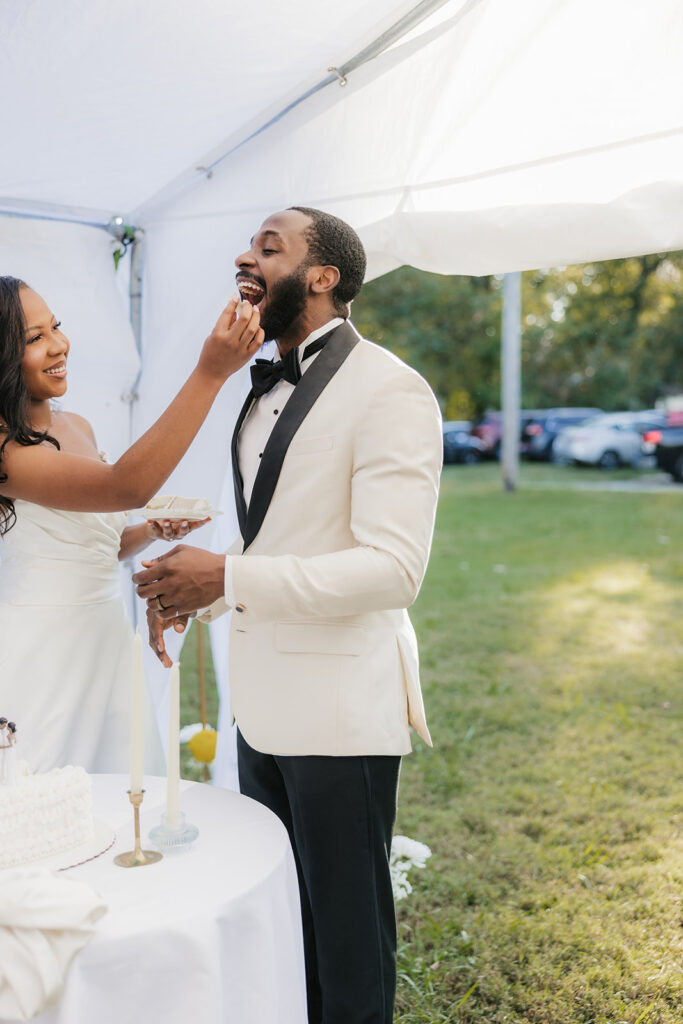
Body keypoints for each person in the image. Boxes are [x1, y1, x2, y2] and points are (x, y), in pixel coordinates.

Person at [134, 207, 443, 1024]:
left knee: (347, 944)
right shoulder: (258, 388)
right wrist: (190, 593)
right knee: (284, 926)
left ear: (323, 277)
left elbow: (391, 570)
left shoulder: (391, 388)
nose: (245, 255)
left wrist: (226, 577)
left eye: (269, 246)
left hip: (340, 711)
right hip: (261, 705)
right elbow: (283, 536)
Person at [0, 277, 263, 772]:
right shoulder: (4, 449)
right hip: (41, 650)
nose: (59, 344)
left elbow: (95, 542)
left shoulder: (76, 424)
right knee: (39, 803)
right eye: (34, 338)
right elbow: (126, 487)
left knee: (121, 802)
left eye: (55, 326)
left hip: (106, 639)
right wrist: (210, 373)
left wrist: (150, 532)